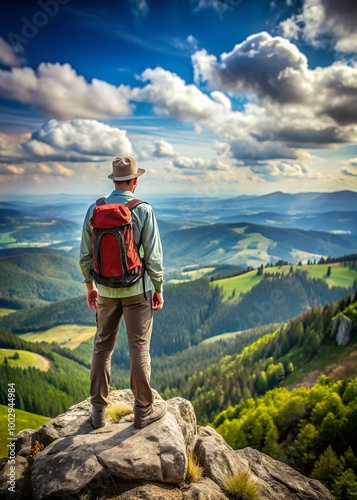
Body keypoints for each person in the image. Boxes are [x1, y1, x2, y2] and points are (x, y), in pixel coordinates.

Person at [79, 156, 167, 429]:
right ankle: (143, 411)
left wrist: (90, 286)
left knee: (102, 348)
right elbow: (153, 257)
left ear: (114, 180)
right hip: (137, 290)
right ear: (135, 181)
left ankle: (97, 414)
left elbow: (85, 255)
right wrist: (158, 288)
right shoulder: (142, 209)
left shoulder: (96, 209)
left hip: (105, 290)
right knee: (139, 349)